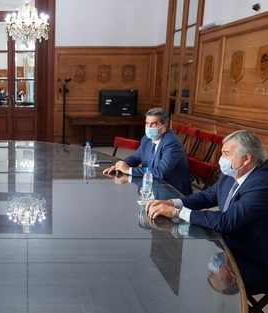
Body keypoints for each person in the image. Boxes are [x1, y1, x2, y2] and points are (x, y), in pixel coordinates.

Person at [146, 130, 268, 296]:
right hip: (233, 243)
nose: (222, 159)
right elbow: (209, 196)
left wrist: (176, 212)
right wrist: (172, 202)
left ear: (246, 158)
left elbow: (227, 221)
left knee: (196, 289)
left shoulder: (262, 183)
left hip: (254, 259)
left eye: (226, 154)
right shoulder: (233, 171)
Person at [103, 107, 192, 196]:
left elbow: (161, 172)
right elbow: (135, 157)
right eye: (147, 123)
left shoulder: (171, 143)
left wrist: (129, 170)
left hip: (172, 192)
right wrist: (119, 166)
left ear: (164, 126)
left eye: (153, 124)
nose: (149, 127)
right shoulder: (147, 139)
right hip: (151, 186)